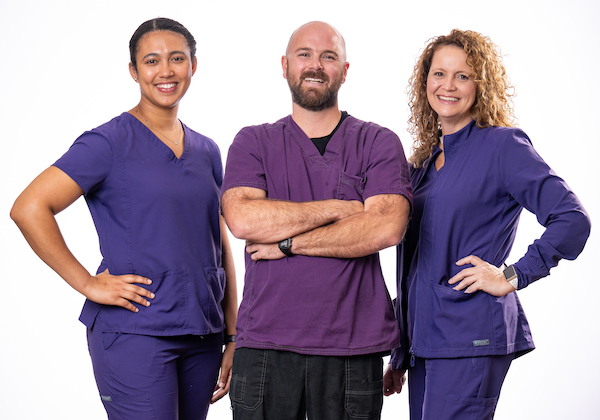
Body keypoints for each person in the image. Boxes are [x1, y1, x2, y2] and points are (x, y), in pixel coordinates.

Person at [10, 17, 237, 420]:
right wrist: (87, 283)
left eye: (177, 59)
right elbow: (28, 207)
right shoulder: (108, 142)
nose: (165, 71)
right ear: (134, 71)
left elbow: (218, 240)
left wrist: (234, 333)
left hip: (203, 333)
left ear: (193, 66)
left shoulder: (207, 151)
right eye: (151, 61)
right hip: (136, 333)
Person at [383, 29, 591, 419]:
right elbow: (416, 266)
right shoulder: (423, 165)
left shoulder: (503, 147)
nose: (448, 85)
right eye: (439, 74)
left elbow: (572, 219)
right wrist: (400, 350)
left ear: (481, 85)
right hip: (425, 344)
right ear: (424, 81)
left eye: (463, 75)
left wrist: (512, 275)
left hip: (469, 333)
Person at [221, 21, 412, 420]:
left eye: (329, 56)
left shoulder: (377, 142)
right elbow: (241, 219)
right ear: (285, 65)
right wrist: (339, 209)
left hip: (351, 348)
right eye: (304, 54)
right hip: (265, 347)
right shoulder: (253, 142)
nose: (315, 64)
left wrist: (286, 243)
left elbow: (386, 227)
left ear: (344, 70)